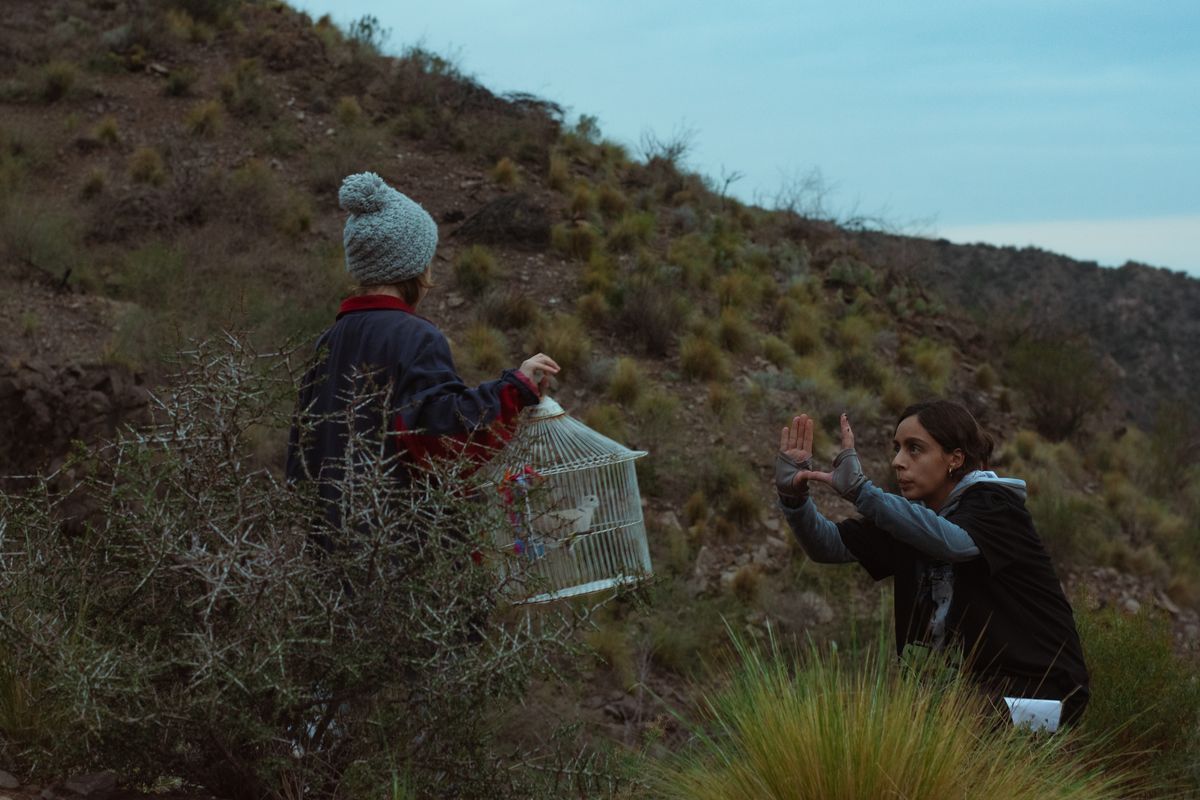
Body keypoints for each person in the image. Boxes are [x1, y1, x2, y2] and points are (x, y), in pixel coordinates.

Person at [775, 400, 1090, 727]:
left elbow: (956, 543)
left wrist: (861, 492)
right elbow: (827, 545)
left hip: (1048, 698)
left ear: (955, 458)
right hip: (962, 693)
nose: (898, 462)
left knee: (942, 726)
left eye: (914, 449)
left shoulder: (996, 506)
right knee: (879, 730)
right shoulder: (910, 518)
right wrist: (794, 501)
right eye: (896, 448)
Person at [287, 171, 559, 533]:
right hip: (397, 552)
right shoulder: (416, 337)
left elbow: (301, 452)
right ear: (416, 268)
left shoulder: (329, 340)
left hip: (330, 550)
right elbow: (442, 441)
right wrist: (514, 390)